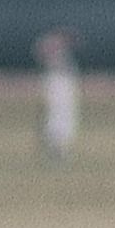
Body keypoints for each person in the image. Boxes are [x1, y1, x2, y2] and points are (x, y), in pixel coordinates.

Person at [35, 28, 80, 161]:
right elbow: (41, 50)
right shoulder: (54, 51)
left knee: (65, 117)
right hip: (58, 85)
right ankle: (55, 149)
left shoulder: (63, 55)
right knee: (58, 117)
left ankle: (58, 149)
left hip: (62, 85)